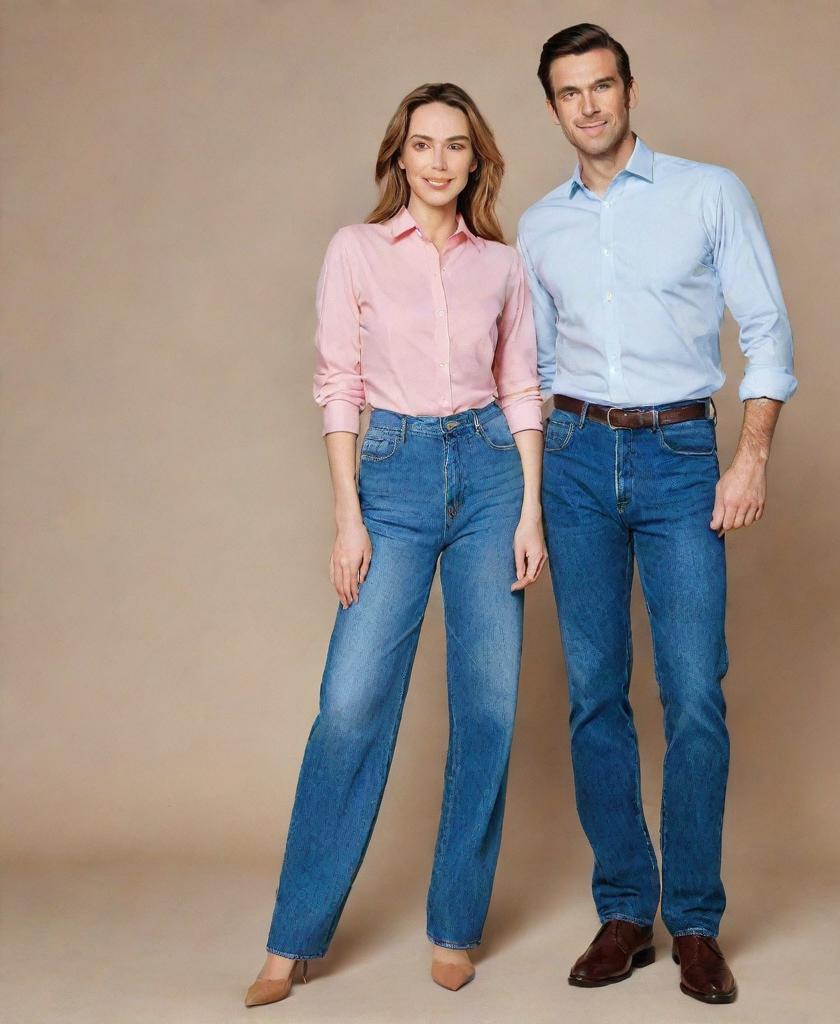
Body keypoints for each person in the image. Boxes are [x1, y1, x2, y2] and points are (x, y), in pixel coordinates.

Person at [244, 82, 545, 1008]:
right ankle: (293, 942)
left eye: (458, 145)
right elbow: (338, 383)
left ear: (477, 159)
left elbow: (523, 388)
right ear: (399, 156)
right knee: (350, 704)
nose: (441, 161)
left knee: (489, 707)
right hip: (395, 472)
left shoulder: (503, 264)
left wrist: (530, 510)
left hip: (492, 475)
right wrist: (349, 516)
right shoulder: (356, 251)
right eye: (424, 145)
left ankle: (455, 924)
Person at [517, 24, 797, 1005]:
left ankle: (695, 922)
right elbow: (536, 373)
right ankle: (625, 910)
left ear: (628, 91)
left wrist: (749, 455)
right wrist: (530, 496)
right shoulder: (539, 226)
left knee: (693, 692)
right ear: (551, 107)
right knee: (593, 692)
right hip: (577, 458)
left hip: (683, 455)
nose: (588, 105)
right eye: (569, 92)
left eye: (602, 86)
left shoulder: (707, 192)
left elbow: (765, 331)